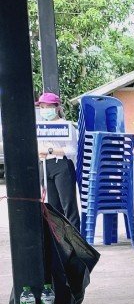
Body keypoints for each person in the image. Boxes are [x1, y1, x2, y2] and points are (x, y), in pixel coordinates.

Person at [34, 91, 79, 223]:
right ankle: (58, 235)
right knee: (53, 207)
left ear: (57, 107)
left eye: (48, 107)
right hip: (45, 165)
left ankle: (74, 235)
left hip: (62, 166)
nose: (45, 110)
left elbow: (71, 150)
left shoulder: (66, 126)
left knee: (68, 205)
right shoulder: (39, 127)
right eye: (42, 107)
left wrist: (49, 150)